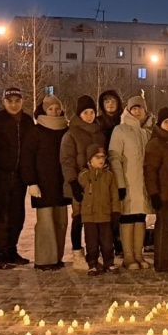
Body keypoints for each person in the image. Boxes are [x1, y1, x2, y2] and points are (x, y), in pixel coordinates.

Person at [0, 86, 35, 268]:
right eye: (10, 101)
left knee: (17, 216)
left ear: (22, 102)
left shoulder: (27, 121)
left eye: (17, 101)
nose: (14, 104)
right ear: (4, 102)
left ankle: (11, 250)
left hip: (19, 177)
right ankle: (0, 254)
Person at [22, 95, 70, 270]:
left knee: (61, 222)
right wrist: (31, 182)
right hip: (43, 184)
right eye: (50, 109)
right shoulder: (36, 131)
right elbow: (27, 158)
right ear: (43, 110)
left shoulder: (66, 129)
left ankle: (57, 257)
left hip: (61, 184)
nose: (55, 112)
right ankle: (44, 259)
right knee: (45, 224)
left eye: (57, 108)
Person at [60, 94, 106, 260]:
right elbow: (67, 160)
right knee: (78, 218)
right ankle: (77, 253)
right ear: (79, 114)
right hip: (79, 183)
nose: (89, 115)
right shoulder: (71, 134)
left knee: (96, 218)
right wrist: (72, 181)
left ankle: (95, 253)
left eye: (92, 112)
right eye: (85, 112)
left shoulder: (99, 133)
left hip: (98, 184)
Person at [109, 95, 152, 270]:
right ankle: (128, 256)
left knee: (141, 217)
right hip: (127, 182)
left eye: (140, 108)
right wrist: (120, 183)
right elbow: (114, 158)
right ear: (128, 110)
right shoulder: (120, 130)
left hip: (143, 184)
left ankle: (138, 254)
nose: (137, 111)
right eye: (133, 108)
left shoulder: (148, 132)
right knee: (127, 217)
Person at [145, 107, 168, 273]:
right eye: (166, 122)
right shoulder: (155, 144)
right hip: (163, 194)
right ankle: (162, 263)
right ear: (160, 124)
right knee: (164, 229)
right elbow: (149, 170)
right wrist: (154, 193)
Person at [77, 144, 121, 275]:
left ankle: (109, 263)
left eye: (103, 157)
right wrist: (77, 213)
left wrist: (115, 211)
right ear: (90, 159)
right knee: (91, 242)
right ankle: (93, 264)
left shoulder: (109, 175)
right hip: (89, 215)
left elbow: (114, 195)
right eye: (97, 157)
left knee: (107, 242)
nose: (101, 160)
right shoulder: (83, 176)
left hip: (105, 214)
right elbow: (78, 197)